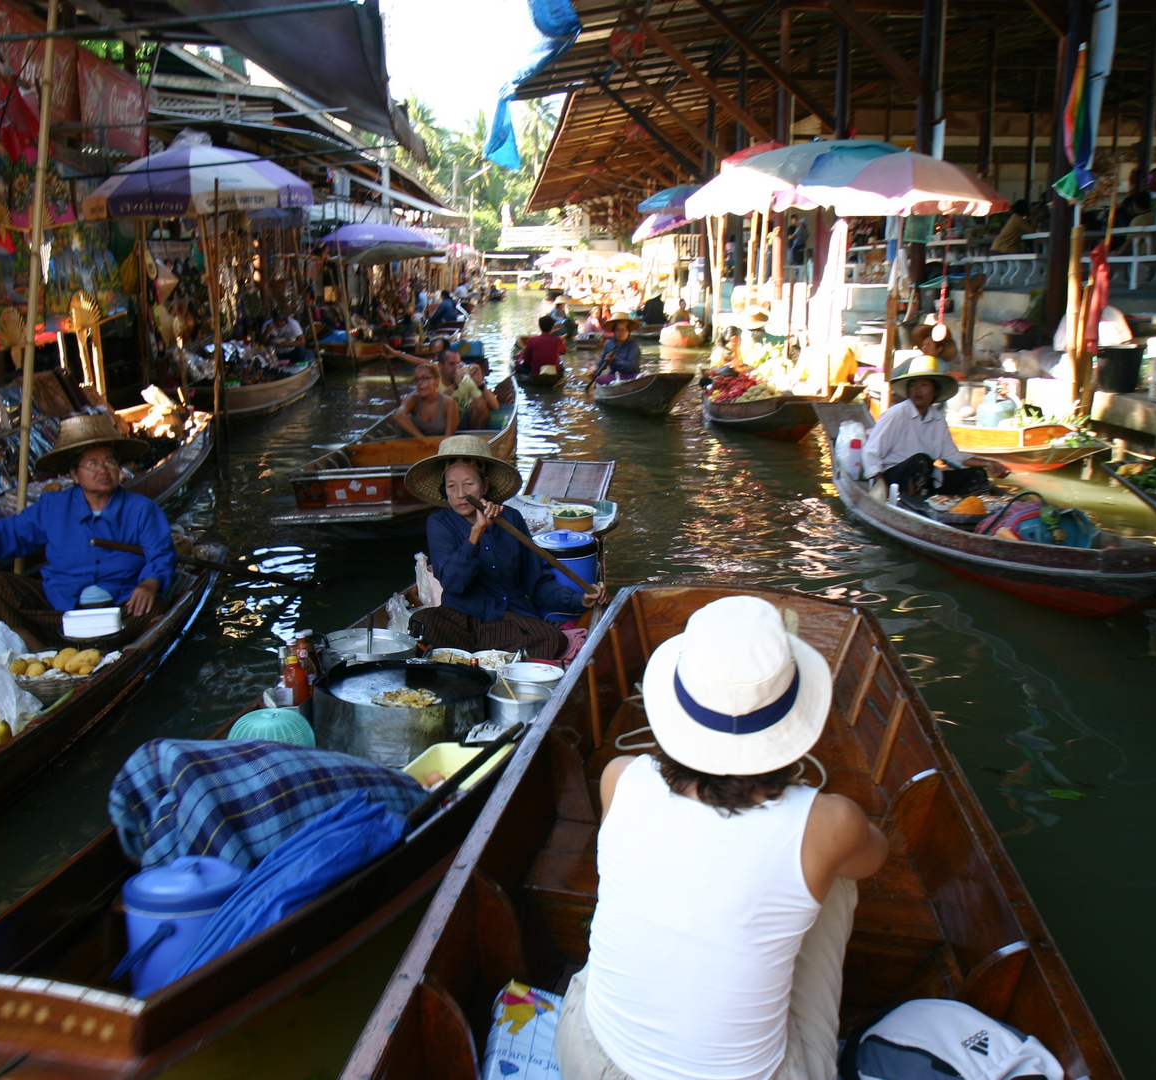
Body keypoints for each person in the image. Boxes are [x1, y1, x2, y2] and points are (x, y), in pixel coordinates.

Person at [553, 595, 889, 1080]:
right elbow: (875, 856)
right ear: (791, 720)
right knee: (835, 879)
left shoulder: (620, 775)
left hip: (588, 1058)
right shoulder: (831, 823)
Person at [0, 414, 174, 651]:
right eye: (92, 464)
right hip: (61, 613)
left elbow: (161, 554)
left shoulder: (142, 509)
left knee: (156, 607)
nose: (103, 470)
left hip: (123, 607)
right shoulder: (54, 506)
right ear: (74, 474)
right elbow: (11, 532)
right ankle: (43, 652)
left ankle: (119, 643)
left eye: (110, 462)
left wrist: (149, 583)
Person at [406, 435, 604, 659]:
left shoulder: (511, 518)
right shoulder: (439, 523)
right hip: (462, 620)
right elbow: (453, 584)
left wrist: (579, 599)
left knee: (552, 639)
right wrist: (476, 533)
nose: (460, 494)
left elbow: (536, 583)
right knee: (423, 623)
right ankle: (491, 659)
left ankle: (479, 659)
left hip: (507, 620)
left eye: (469, 483)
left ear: (485, 485)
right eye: (451, 486)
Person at [861, 354, 1010, 497]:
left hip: (926, 478)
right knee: (921, 460)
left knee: (977, 474)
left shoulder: (937, 418)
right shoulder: (896, 414)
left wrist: (989, 464)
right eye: (913, 385)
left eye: (924, 385)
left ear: (935, 391)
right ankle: (910, 505)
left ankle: (962, 513)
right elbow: (871, 452)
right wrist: (880, 484)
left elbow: (953, 455)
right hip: (894, 479)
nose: (917, 390)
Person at [393, 363, 459, 438]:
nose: (419, 383)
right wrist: (422, 438)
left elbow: (448, 438)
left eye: (424, 378)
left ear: (436, 381)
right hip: (417, 445)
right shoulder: (413, 399)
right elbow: (398, 416)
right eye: (417, 379)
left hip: (440, 446)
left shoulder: (449, 403)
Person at [593, 311, 643, 384]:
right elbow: (602, 363)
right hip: (614, 375)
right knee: (599, 379)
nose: (621, 333)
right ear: (614, 331)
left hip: (631, 376)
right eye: (618, 330)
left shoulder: (633, 345)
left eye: (624, 330)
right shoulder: (608, 344)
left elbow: (632, 367)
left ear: (628, 332)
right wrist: (595, 372)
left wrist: (614, 362)